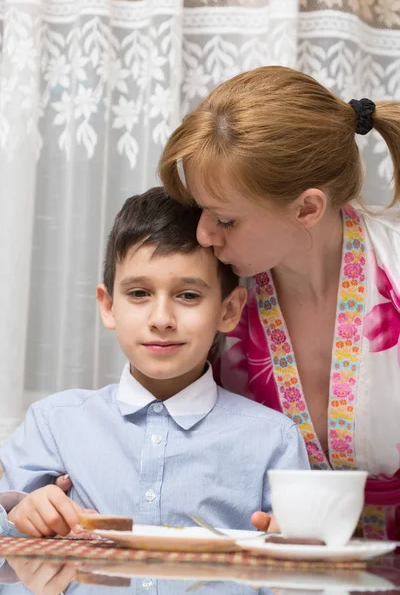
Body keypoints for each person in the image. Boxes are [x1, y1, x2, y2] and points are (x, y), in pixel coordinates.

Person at [158, 66, 400, 541]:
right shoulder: (214, 291)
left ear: (307, 208)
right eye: (200, 210)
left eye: (225, 219)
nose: (204, 234)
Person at [0, 187, 309, 539]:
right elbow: (11, 527)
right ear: (108, 305)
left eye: (188, 295)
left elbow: (297, 560)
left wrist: (293, 541)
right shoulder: (53, 425)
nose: (161, 319)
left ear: (229, 310)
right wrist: (22, 510)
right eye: (138, 293)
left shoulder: (274, 440)